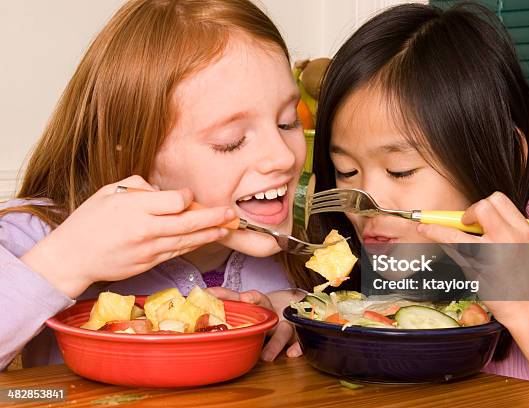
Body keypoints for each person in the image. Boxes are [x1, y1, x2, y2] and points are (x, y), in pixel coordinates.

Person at [309, 3, 529, 393]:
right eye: (346, 171)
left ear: (499, 152)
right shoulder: (373, 256)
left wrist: (524, 302)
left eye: (400, 170)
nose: (364, 203)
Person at [0, 0, 312, 370]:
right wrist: (64, 261)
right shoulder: (34, 235)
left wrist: (300, 310)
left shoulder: (304, 250)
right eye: (231, 140)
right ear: (135, 150)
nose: (283, 157)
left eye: (288, 122)